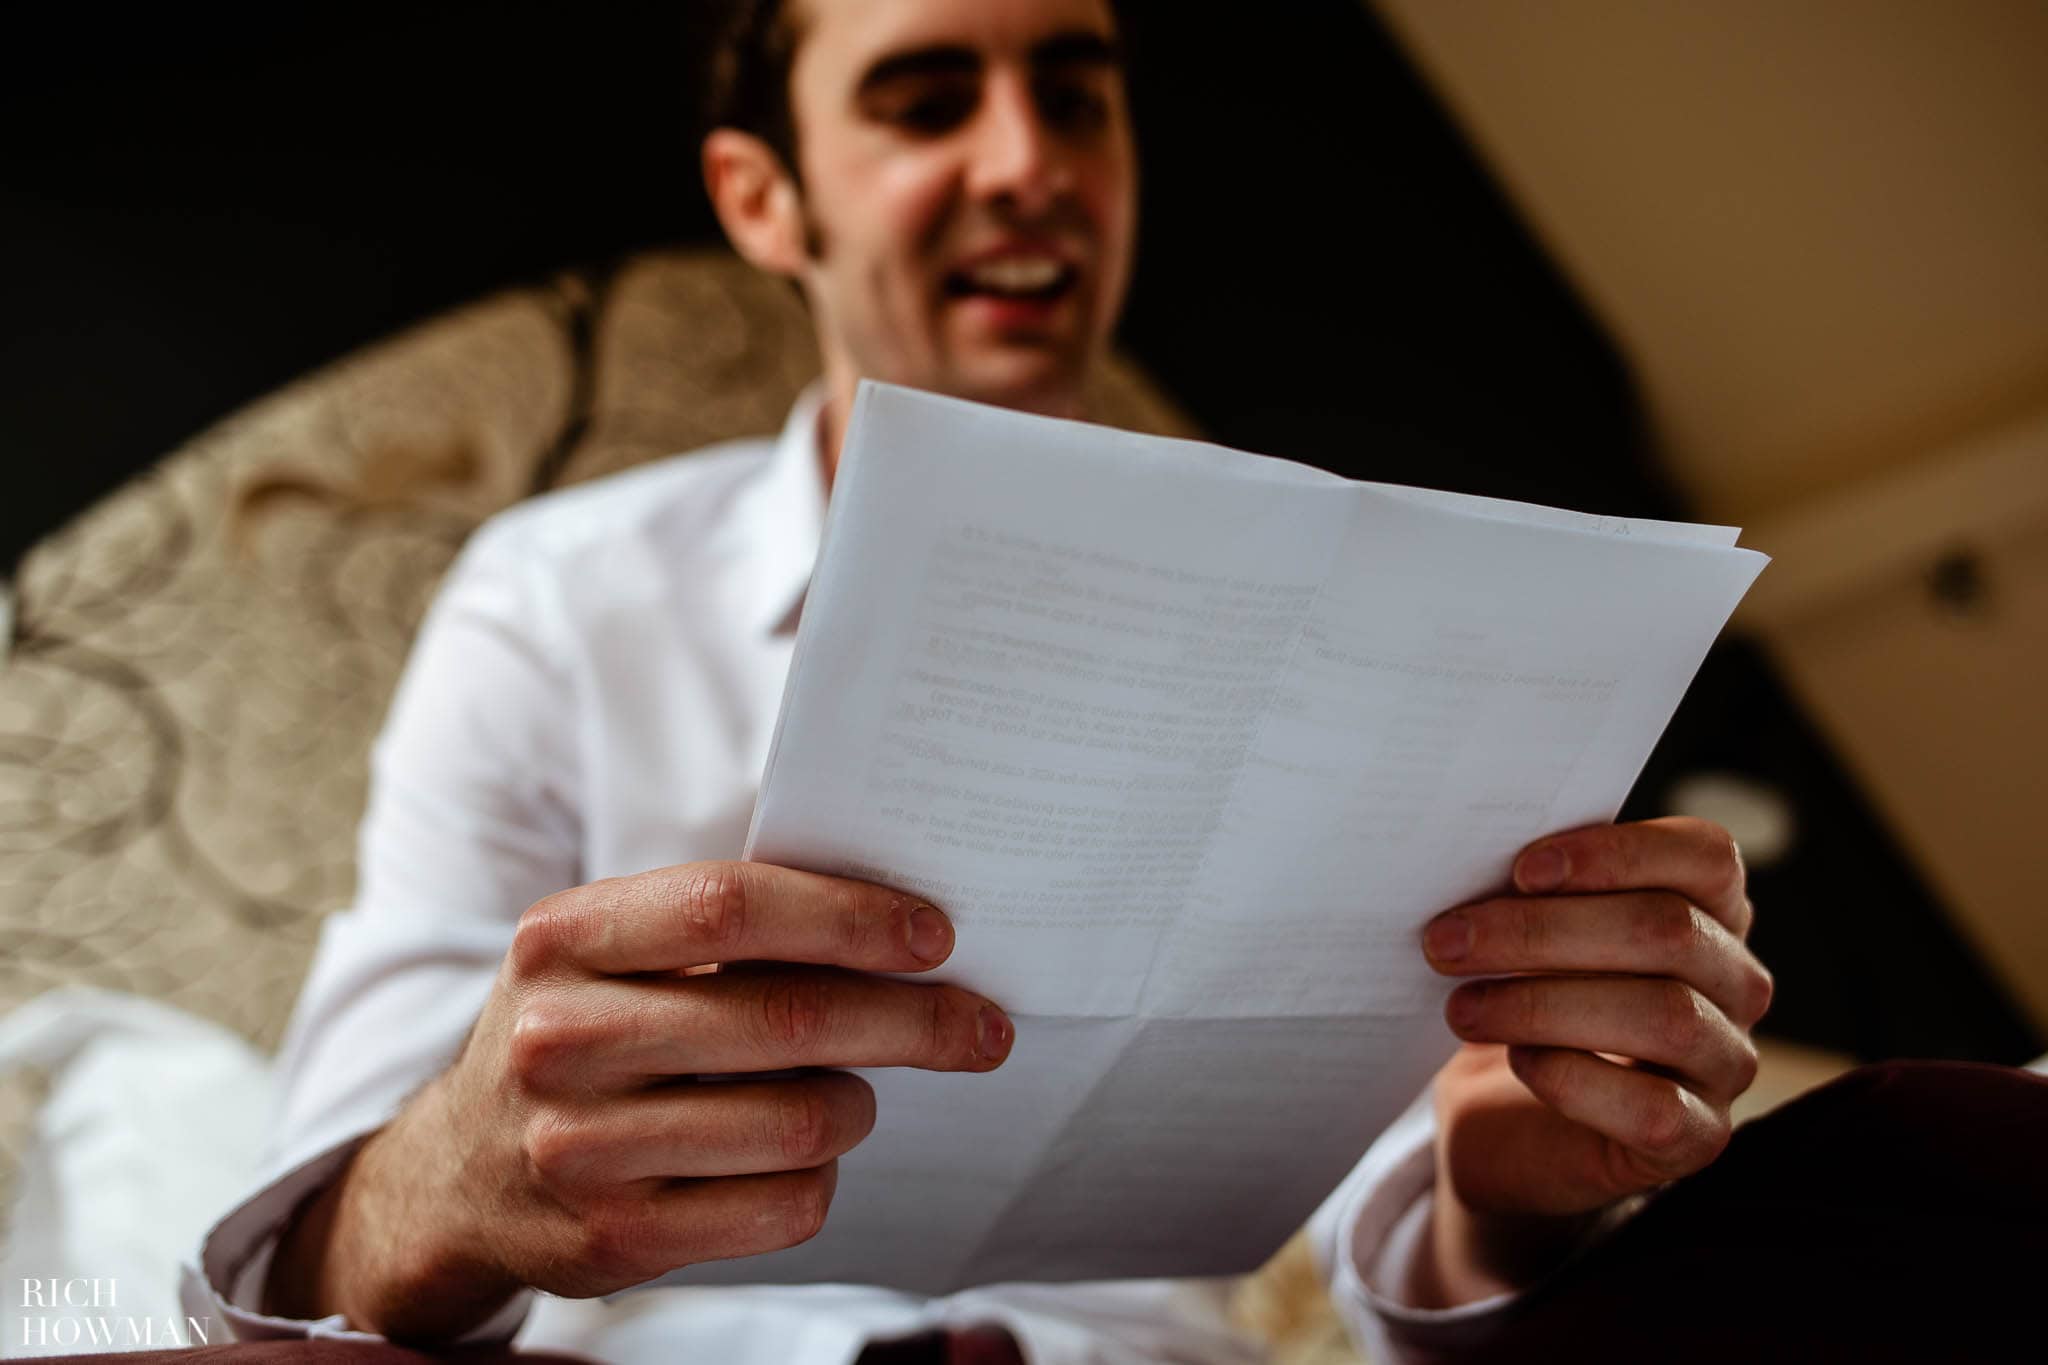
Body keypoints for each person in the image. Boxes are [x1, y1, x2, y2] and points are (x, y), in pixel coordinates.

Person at [179, 2, 2047, 1363]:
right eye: (926, 97)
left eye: (1076, 91)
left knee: (1942, 1166)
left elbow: (1429, 1236)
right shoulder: (560, 603)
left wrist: (1533, 1167)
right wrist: (460, 1157)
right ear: (766, 199)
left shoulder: (1356, 604)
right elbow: (303, 1280)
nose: (1029, 162)